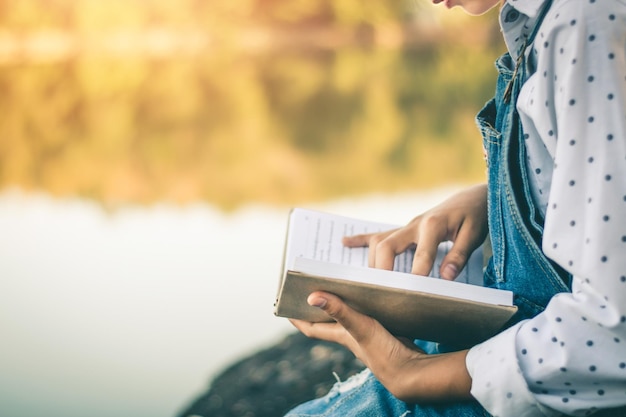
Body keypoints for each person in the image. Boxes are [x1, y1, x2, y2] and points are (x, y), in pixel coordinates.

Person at [285, 0, 626, 416]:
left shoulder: (583, 22)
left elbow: (614, 337)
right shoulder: (553, 18)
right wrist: (500, 195)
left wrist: (413, 374)